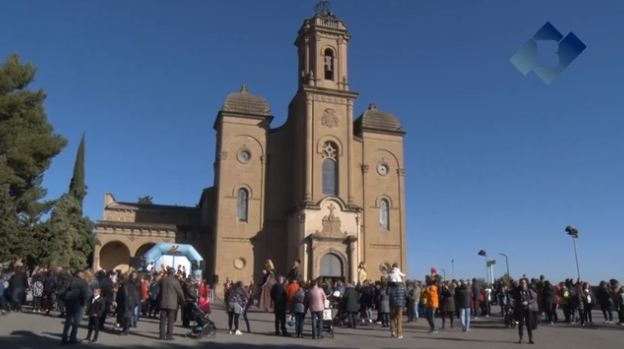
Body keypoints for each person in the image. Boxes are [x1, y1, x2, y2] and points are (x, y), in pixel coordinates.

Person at [61, 271, 90, 345]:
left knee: (68, 319)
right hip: (78, 302)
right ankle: (72, 337)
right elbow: (86, 294)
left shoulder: (71, 280)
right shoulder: (83, 283)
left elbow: (64, 289)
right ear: (82, 276)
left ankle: (64, 337)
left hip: (69, 301)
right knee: (76, 321)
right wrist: (86, 302)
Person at [158, 267, 185, 340]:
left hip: (163, 302)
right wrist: (183, 301)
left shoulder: (162, 280)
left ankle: (161, 335)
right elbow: (180, 292)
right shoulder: (175, 281)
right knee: (170, 320)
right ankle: (169, 335)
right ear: (173, 273)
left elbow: (159, 291)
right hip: (172, 304)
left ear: (167, 272)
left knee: (162, 320)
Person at [513, 278, 537, 344]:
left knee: (529, 324)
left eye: (524, 283)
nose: (523, 284)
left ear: (526, 283)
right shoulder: (517, 290)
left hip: (528, 309)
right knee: (520, 324)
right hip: (520, 309)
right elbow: (514, 299)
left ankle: (530, 339)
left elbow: (534, 298)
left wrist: (528, 302)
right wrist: (519, 302)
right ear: (520, 283)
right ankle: (520, 338)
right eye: (521, 283)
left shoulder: (529, 290)